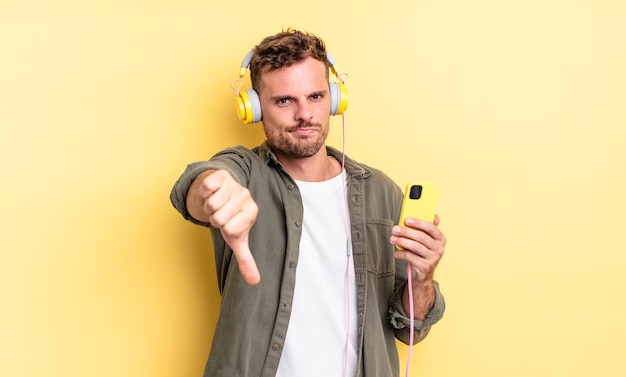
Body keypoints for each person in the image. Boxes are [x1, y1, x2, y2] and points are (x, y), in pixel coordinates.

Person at [170, 28, 446, 377]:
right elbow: (195, 187)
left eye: (315, 96)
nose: (305, 115)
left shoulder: (381, 191)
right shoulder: (243, 172)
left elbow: (410, 329)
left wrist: (422, 278)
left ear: (334, 99)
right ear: (253, 107)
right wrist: (211, 190)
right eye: (284, 100)